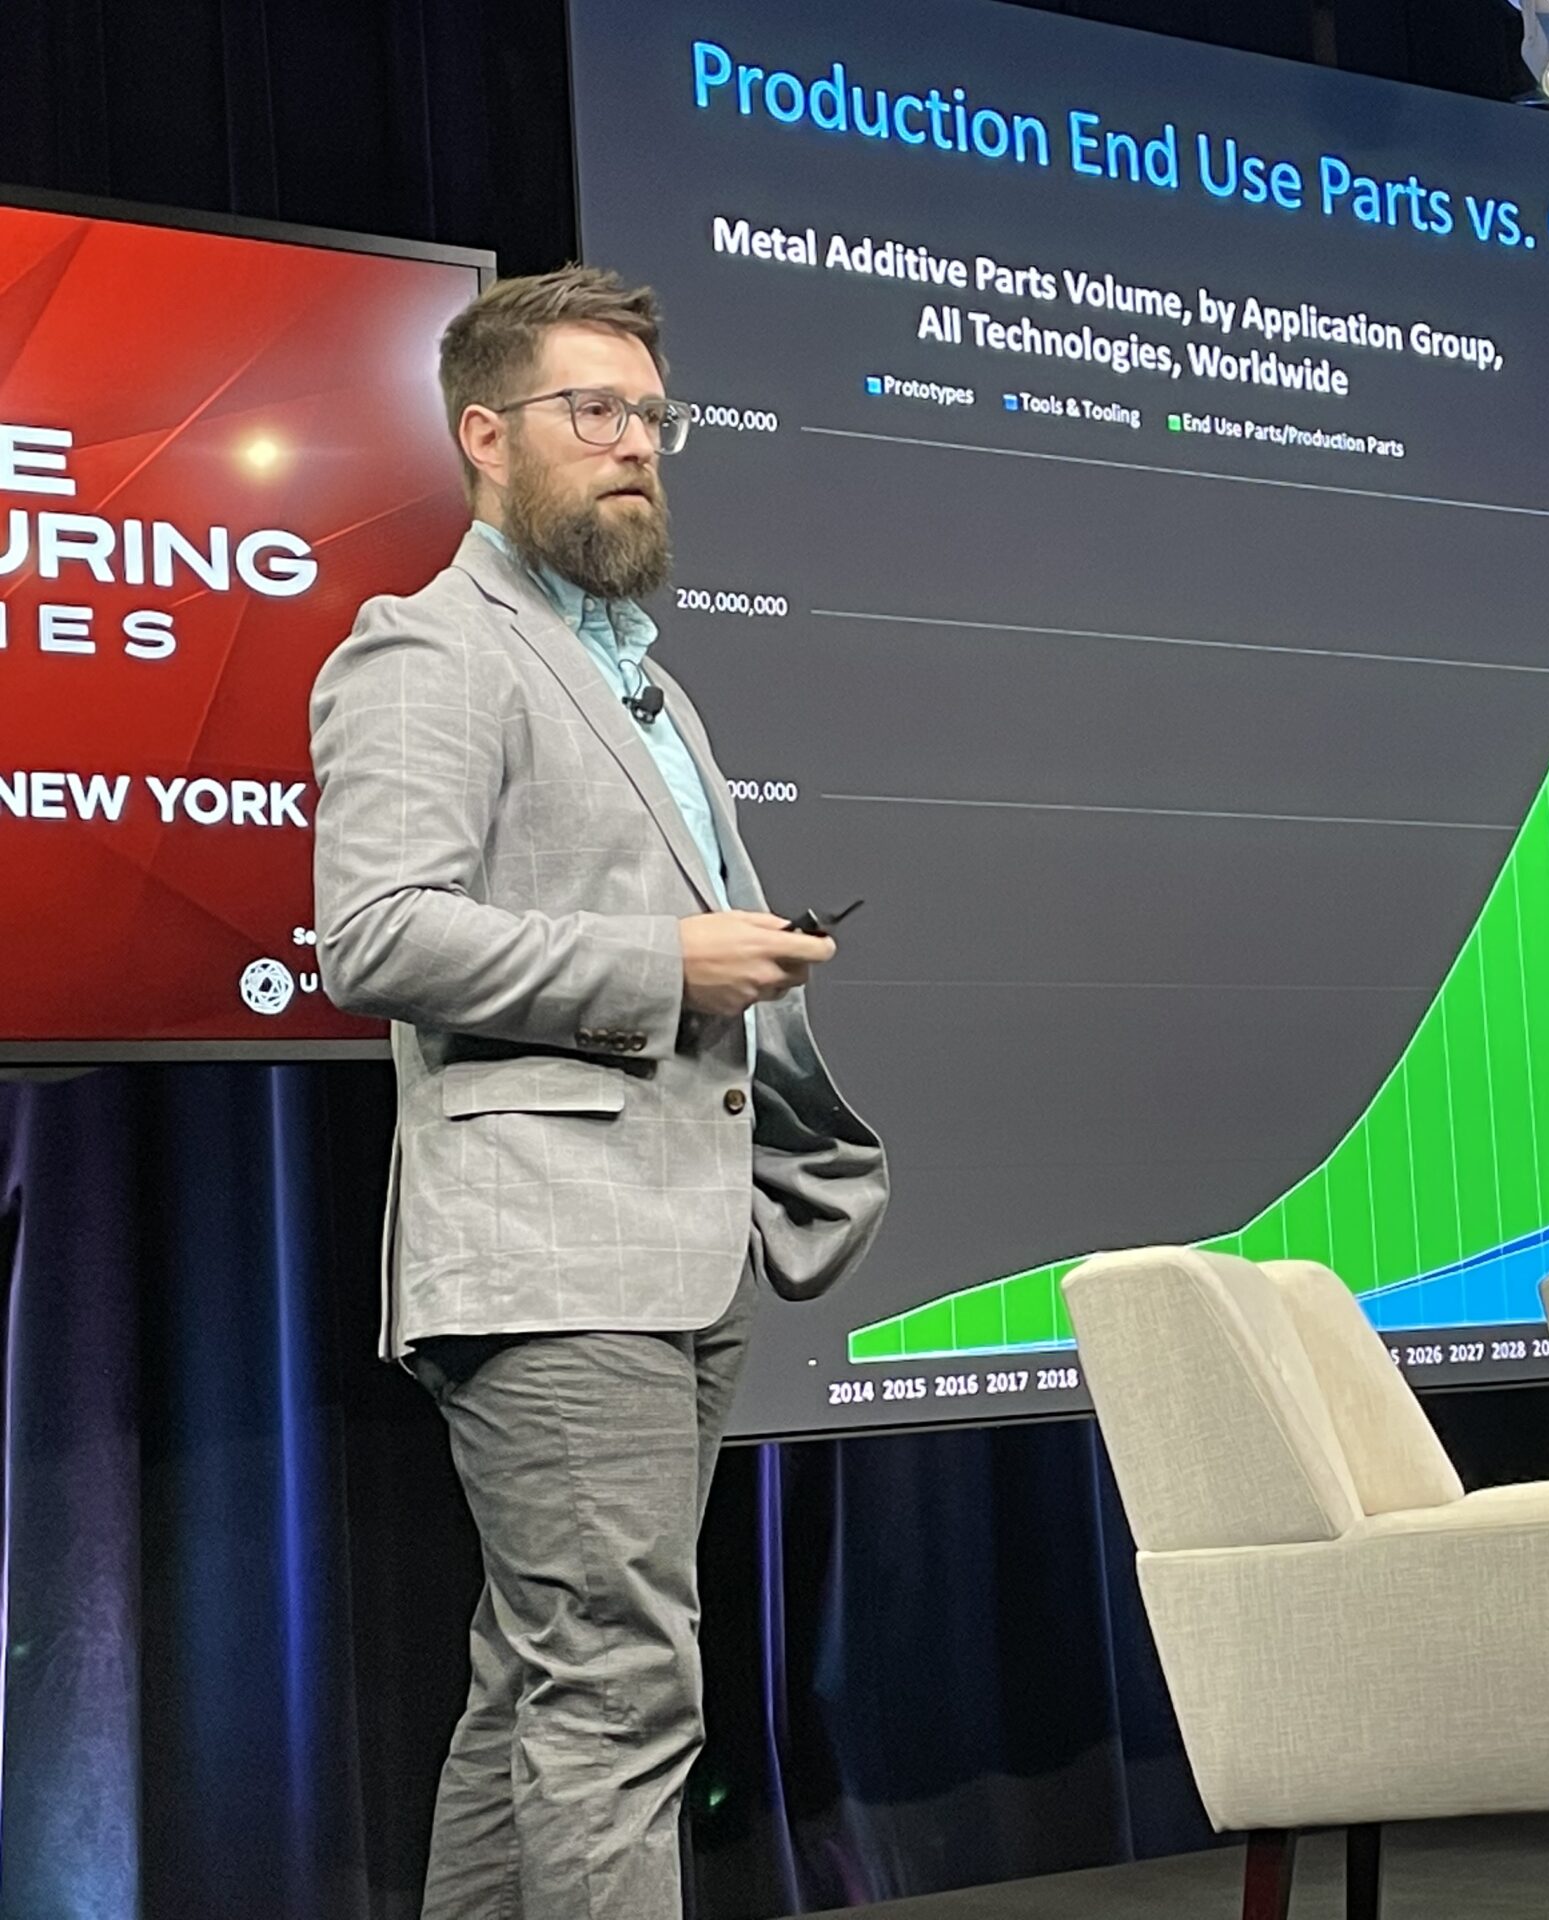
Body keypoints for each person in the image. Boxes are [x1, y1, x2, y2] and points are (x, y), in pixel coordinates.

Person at [308, 264, 887, 1919]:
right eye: (593, 411)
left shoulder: (645, 678)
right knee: (620, 1696)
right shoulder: (428, 648)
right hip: (550, 1255)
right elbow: (374, 933)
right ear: (485, 436)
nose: (635, 443)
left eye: (650, 416)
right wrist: (664, 965)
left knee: (541, 1682)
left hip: (672, 1245)